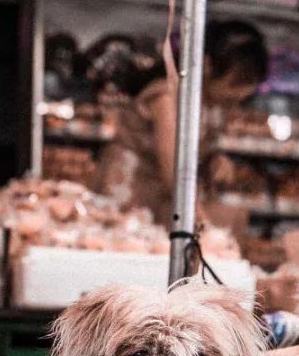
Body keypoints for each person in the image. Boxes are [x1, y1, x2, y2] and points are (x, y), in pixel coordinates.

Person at [99, 20, 269, 228]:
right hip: (130, 192)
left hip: (166, 201)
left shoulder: (213, 103)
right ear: (207, 65)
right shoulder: (167, 96)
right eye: (236, 83)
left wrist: (214, 160)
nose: (240, 94)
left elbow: (199, 149)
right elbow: (173, 166)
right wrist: (201, 222)